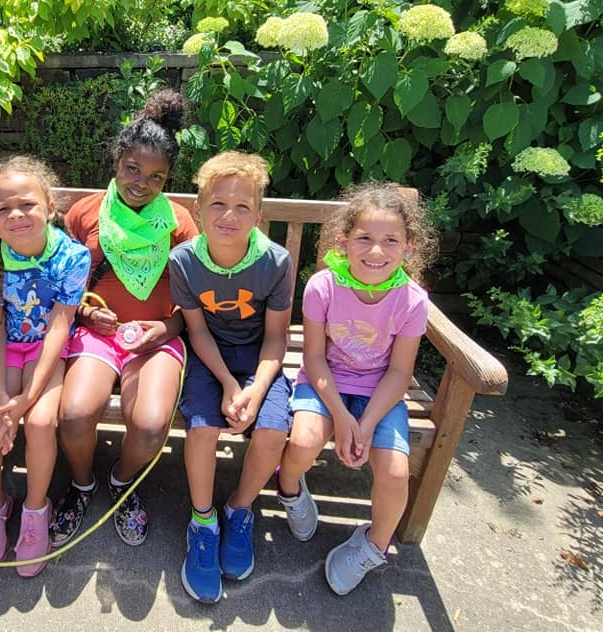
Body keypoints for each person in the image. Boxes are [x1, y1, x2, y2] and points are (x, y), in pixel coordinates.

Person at [51, 90, 198, 549]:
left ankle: (121, 481)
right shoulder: (85, 214)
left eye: (156, 177)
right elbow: (61, 286)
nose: (141, 182)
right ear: (116, 161)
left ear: (168, 179)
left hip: (156, 337)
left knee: (152, 424)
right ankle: (81, 486)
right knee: (74, 415)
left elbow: (193, 302)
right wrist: (87, 313)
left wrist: (167, 328)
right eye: (132, 168)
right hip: (97, 336)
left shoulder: (179, 221)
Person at [275, 181, 437, 595]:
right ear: (344, 242)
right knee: (304, 443)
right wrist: (342, 416)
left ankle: (373, 546)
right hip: (325, 381)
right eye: (365, 238)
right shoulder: (324, 286)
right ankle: (291, 490)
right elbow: (313, 358)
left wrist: (364, 423)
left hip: (381, 391)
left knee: (396, 472)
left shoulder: (412, 300)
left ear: (409, 248)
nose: (377, 250)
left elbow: (400, 373)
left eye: (390, 240)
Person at [168, 152, 294, 603]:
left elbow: (277, 338)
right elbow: (197, 329)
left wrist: (256, 390)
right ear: (199, 210)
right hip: (209, 359)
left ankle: (239, 509)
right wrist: (227, 384)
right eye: (218, 204)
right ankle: (203, 522)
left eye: (243, 207)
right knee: (201, 429)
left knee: (274, 429)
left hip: (259, 359)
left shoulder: (276, 262)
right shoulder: (183, 260)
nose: (229, 215)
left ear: (259, 216)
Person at [0, 156, 90, 577]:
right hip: (3, 349)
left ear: (50, 207)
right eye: (2, 209)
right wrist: (4, 401)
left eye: (27, 205)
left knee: (39, 423)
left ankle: (36, 509)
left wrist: (27, 398)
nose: (15, 215)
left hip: (47, 351)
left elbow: (60, 324)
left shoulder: (72, 256)